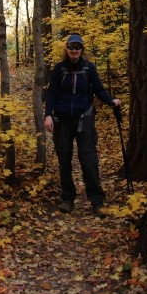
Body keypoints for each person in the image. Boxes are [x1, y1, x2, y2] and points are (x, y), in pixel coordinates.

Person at [44, 34, 121, 218]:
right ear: (66, 49)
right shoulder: (59, 69)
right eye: (71, 47)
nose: (74, 51)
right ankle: (67, 198)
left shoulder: (89, 68)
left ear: (82, 49)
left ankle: (97, 201)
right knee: (64, 159)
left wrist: (111, 101)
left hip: (84, 119)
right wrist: (48, 115)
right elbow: (52, 93)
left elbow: (99, 89)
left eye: (78, 48)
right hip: (62, 121)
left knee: (89, 160)